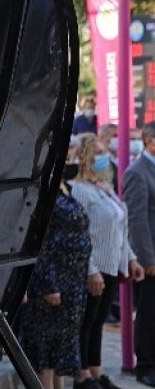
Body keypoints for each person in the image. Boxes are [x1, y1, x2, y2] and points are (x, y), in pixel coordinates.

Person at [72, 134, 144, 389]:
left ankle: (96, 371)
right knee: (87, 322)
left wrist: (132, 260)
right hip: (93, 268)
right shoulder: (80, 190)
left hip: (112, 265)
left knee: (98, 322)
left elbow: (120, 230)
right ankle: (83, 376)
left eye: (104, 152)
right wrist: (91, 269)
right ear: (85, 159)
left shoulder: (105, 187)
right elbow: (80, 234)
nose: (103, 158)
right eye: (97, 154)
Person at [21, 175, 91, 389]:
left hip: (72, 279)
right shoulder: (42, 191)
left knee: (59, 346)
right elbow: (40, 242)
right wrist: (48, 285)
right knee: (44, 344)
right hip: (52, 280)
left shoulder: (66, 189)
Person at [124, 122, 155, 386]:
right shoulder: (138, 172)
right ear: (149, 141)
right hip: (151, 256)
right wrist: (148, 259)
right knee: (149, 312)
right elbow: (137, 220)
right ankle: (145, 366)